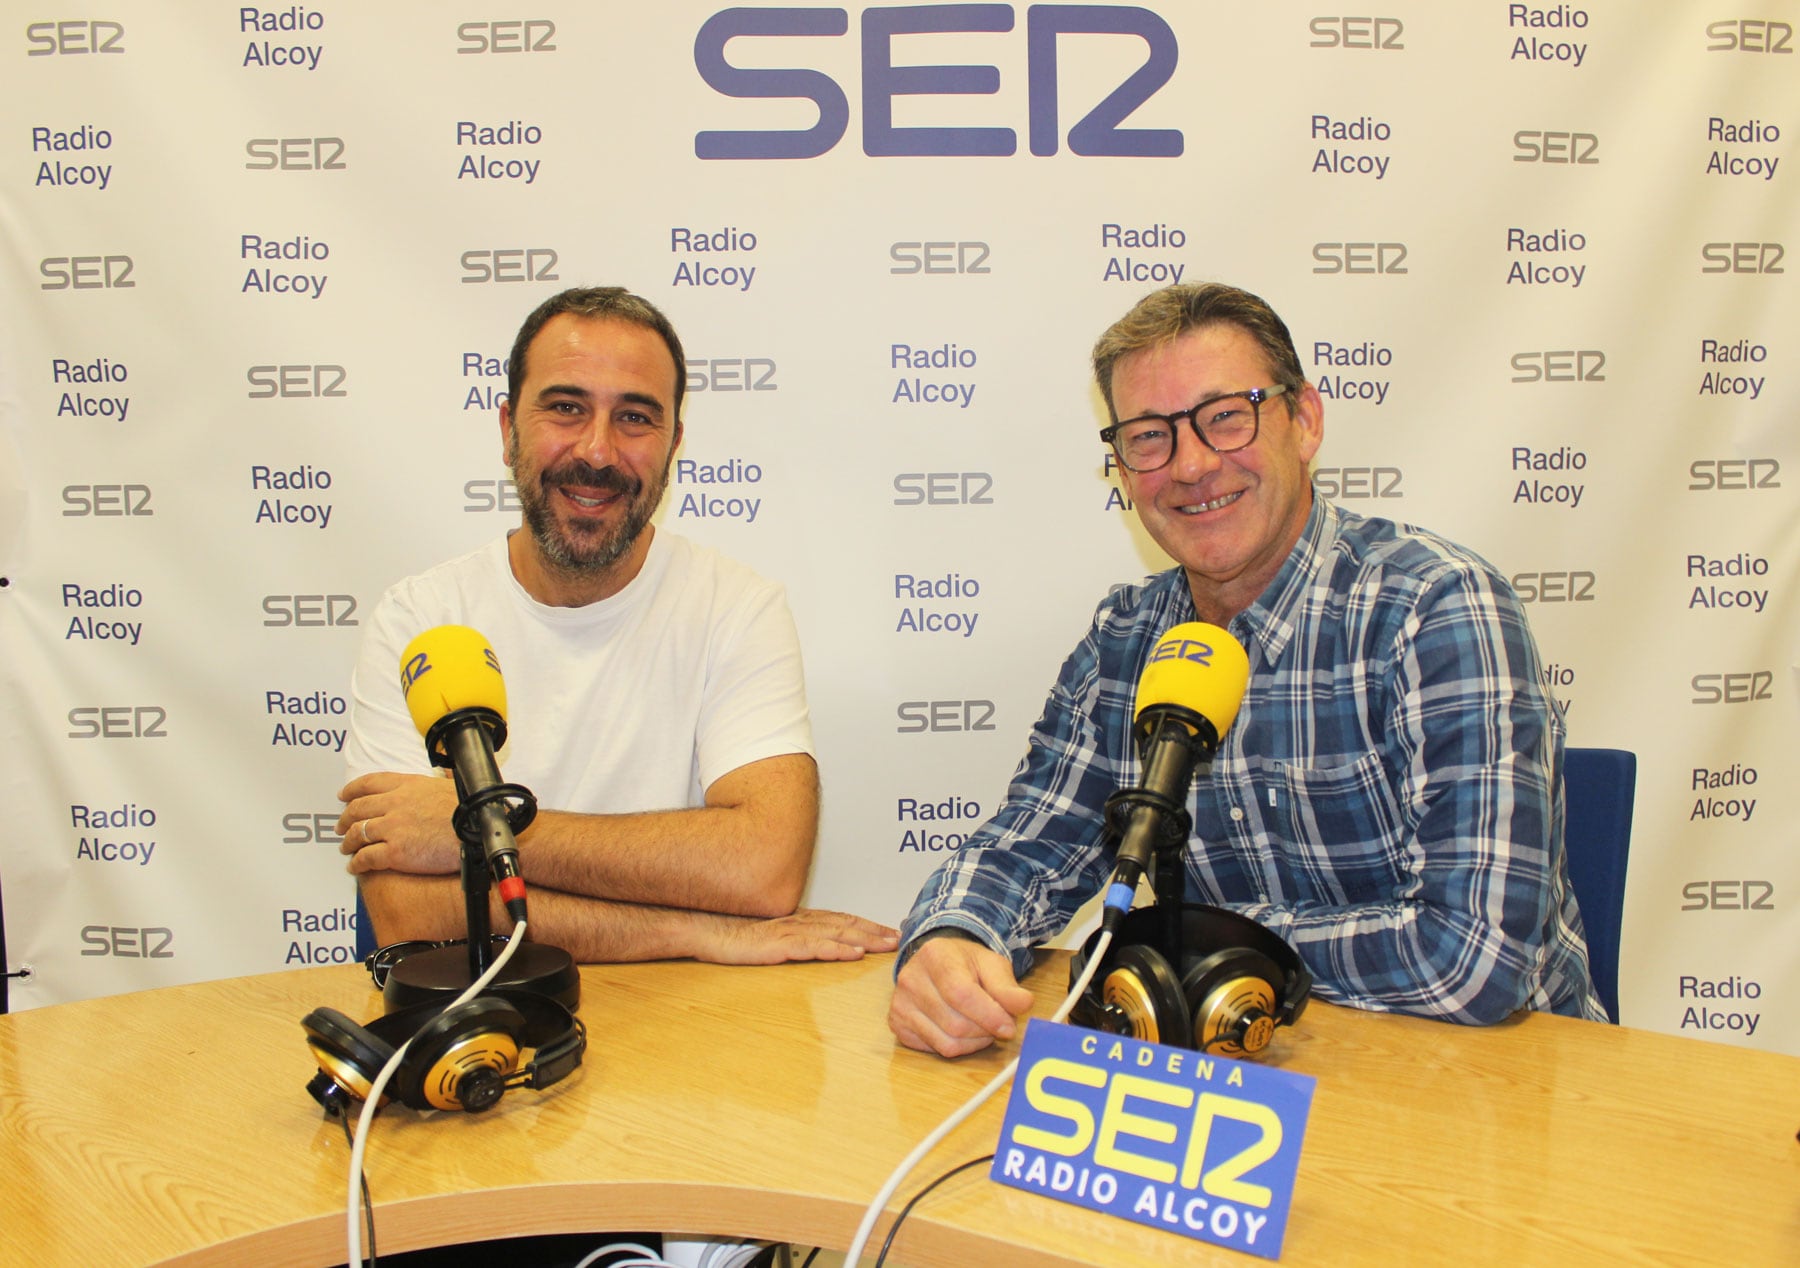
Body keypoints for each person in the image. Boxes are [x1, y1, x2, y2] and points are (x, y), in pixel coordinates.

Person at [889, 282, 1604, 1057]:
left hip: (1493, 1086)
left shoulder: (1437, 608)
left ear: (1304, 422)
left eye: (1225, 417)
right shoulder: (1128, 639)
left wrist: (1199, 946)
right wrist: (953, 938)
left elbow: (1475, 959)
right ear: (1123, 470)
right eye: (1149, 437)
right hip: (1239, 1072)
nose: (1191, 465)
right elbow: (1027, 846)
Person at [338, 286, 895, 965]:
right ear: (508, 429)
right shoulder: (420, 619)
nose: (598, 452)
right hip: (485, 1027)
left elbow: (763, 866)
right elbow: (408, 913)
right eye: (567, 408)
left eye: (635, 417)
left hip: (679, 1030)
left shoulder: (736, 607)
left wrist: (479, 829)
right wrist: (692, 929)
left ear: (674, 444)